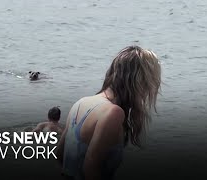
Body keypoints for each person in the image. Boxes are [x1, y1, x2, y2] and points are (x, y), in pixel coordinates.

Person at [56, 46, 161, 180]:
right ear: (139, 81)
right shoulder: (113, 113)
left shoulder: (81, 103)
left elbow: (60, 155)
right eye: (149, 83)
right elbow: (90, 170)